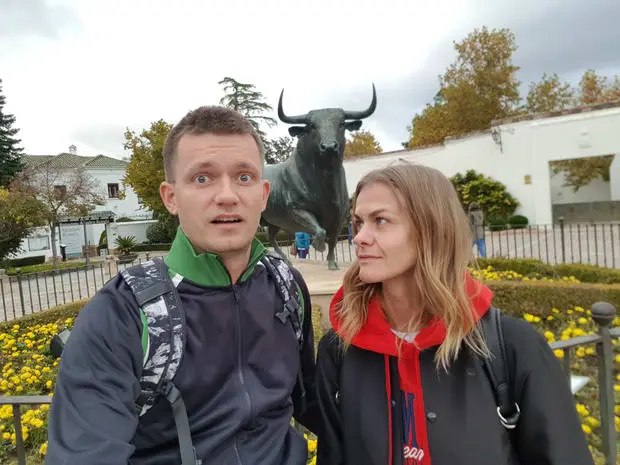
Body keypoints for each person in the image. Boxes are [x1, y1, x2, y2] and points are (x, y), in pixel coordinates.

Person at [45, 106, 320, 465]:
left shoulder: (286, 286)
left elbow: (313, 403)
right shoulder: (123, 314)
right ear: (170, 197)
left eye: (244, 177)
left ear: (264, 194)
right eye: (202, 179)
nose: (227, 195)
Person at [314, 163, 593, 465]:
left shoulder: (511, 346)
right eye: (358, 222)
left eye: (380, 220)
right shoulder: (339, 350)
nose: (359, 237)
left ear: (431, 229)